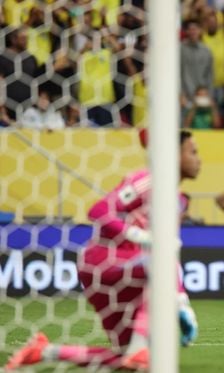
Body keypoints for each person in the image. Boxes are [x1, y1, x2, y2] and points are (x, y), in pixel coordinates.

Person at [5, 131, 201, 370]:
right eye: (193, 152)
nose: (198, 159)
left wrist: (183, 303)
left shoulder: (176, 200)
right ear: (173, 155)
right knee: (158, 264)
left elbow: (167, 256)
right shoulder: (150, 180)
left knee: (128, 360)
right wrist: (138, 235)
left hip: (128, 271)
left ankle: (45, 351)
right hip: (105, 260)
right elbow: (99, 210)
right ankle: (140, 347)